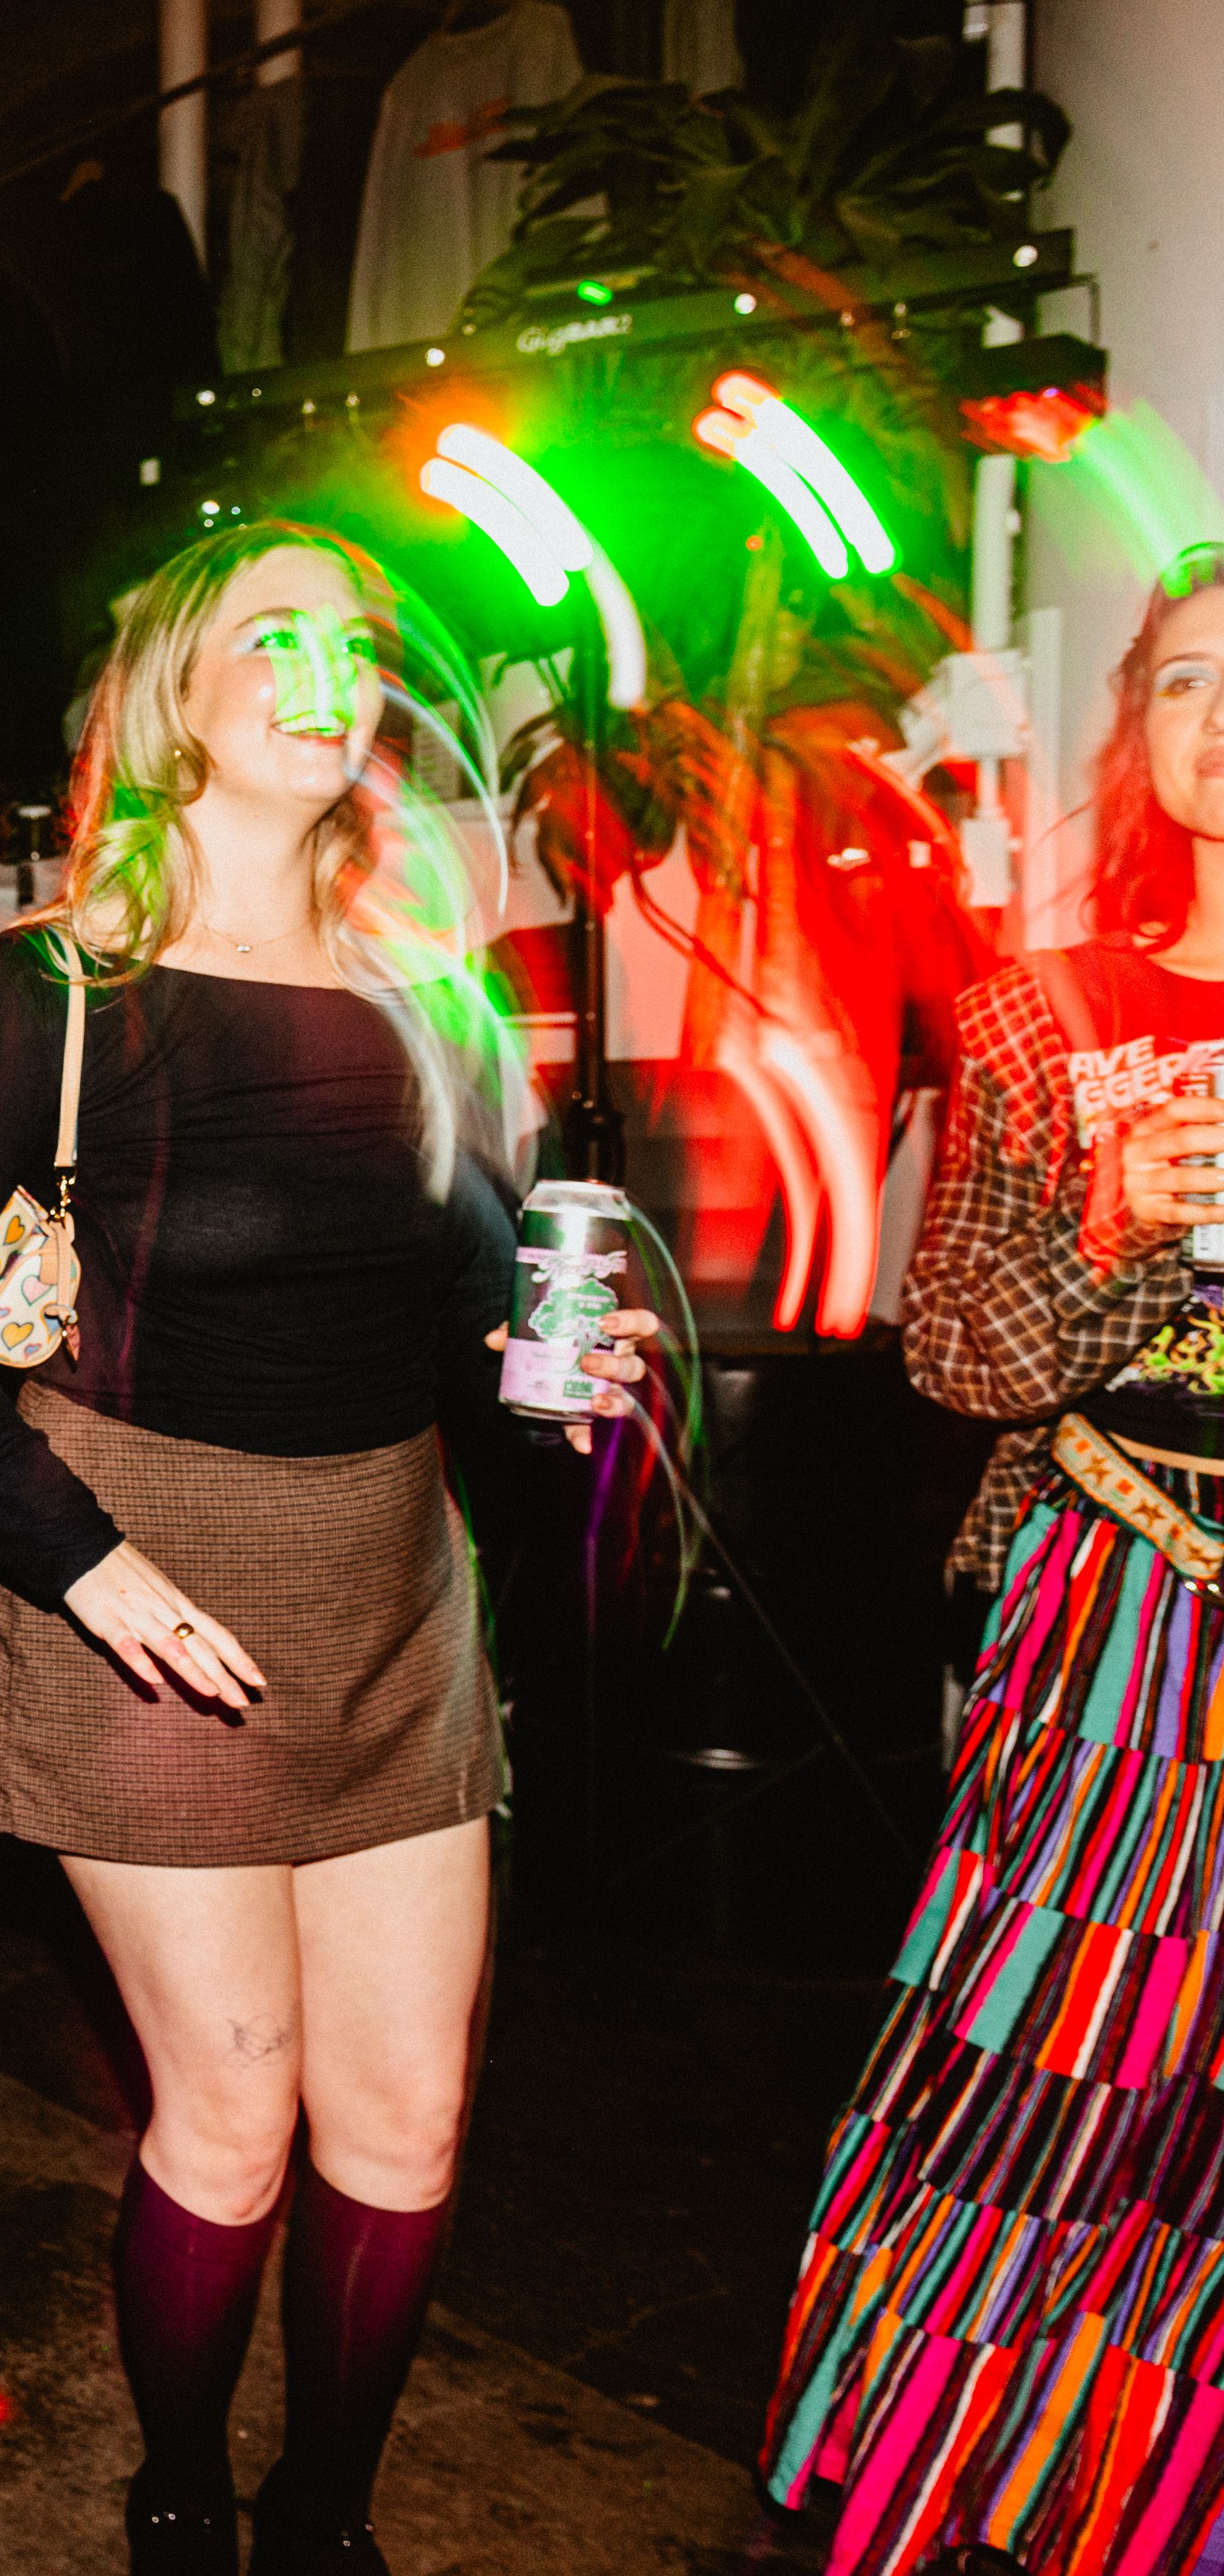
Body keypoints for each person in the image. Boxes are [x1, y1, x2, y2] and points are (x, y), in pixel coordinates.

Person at [0, 518, 652, 2575]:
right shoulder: (47, 993)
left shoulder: (413, 1001)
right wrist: (83, 1564)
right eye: (271, 636)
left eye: (351, 643)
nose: (324, 671)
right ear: (173, 697)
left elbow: (466, 1302)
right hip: (143, 1585)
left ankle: (326, 2522)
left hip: (391, 1590)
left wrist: (558, 1366)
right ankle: (184, 2501)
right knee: (234, 2108)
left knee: (408, 2119)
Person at [759, 550, 1224, 2576]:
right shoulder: (1052, 1013)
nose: (1222, 717)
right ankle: (966, 2478)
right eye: (1186, 680)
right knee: (1050, 2054)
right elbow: (958, 1349)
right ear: (1140, 730)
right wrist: (1121, 1226)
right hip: (1125, 1627)